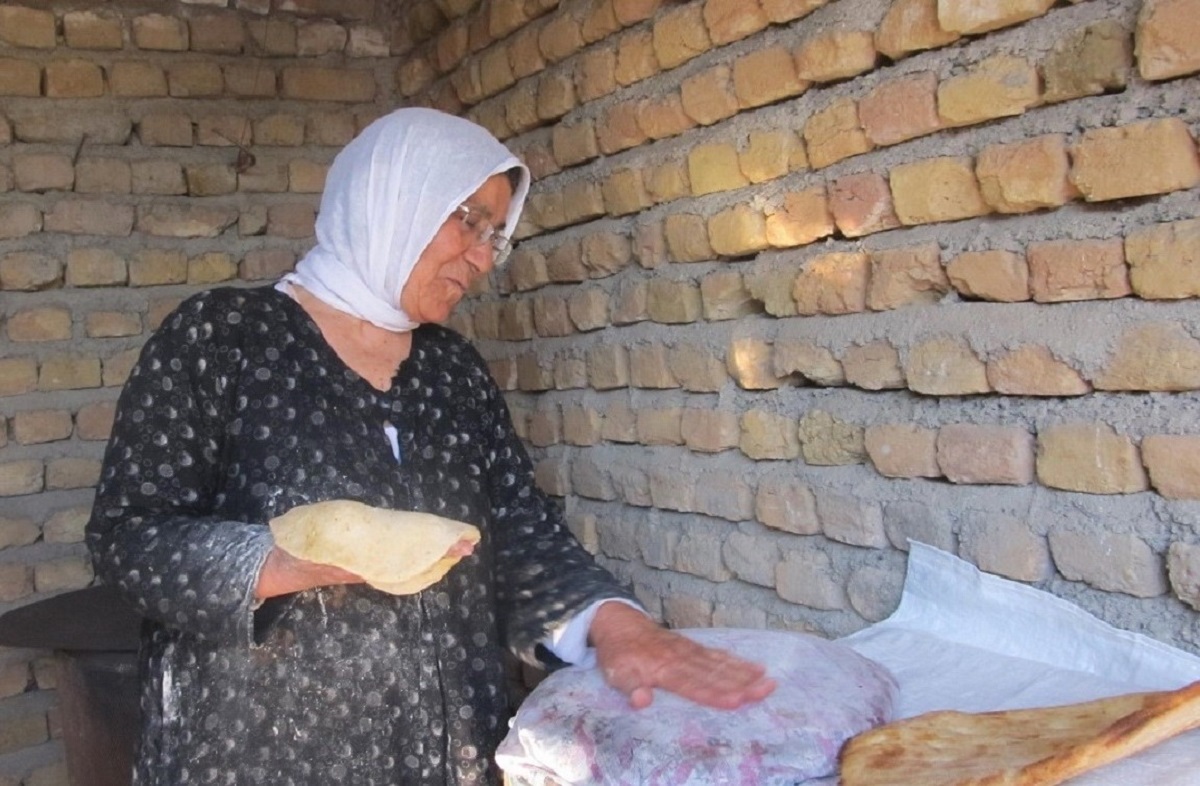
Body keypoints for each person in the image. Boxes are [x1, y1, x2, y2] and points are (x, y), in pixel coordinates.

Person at [86, 107, 775, 786]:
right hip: (260, 751)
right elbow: (128, 535)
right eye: (467, 219)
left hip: (448, 753)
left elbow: (517, 529)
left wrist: (615, 625)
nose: (481, 258)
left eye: (497, 234)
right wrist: (278, 562)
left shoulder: (452, 370)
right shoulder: (221, 338)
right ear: (392, 198)